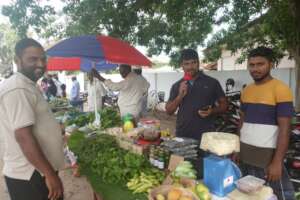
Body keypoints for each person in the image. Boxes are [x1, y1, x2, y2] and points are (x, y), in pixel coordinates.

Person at [0, 38, 64, 200]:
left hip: (37, 171)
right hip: (31, 175)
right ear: (17, 61)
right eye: (33, 59)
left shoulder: (27, 85)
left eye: (43, 59)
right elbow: (23, 136)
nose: (41, 64)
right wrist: (50, 175)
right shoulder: (18, 88)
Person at [238, 46, 295, 200]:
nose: (255, 69)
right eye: (252, 65)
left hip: (267, 159)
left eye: (260, 64)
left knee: (279, 195)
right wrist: (237, 149)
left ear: (271, 64)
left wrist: (277, 162)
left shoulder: (281, 89)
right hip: (245, 155)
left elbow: (285, 129)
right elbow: (242, 122)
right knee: (251, 196)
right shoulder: (247, 91)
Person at [165, 49, 227, 141]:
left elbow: (224, 106)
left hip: (206, 135)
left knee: (205, 156)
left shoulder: (212, 82)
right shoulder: (177, 85)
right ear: (182, 65)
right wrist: (180, 96)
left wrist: (212, 111)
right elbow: (169, 111)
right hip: (183, 134)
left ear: (198, 63)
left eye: (193, 63)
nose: (190, 67)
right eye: (186, 64)